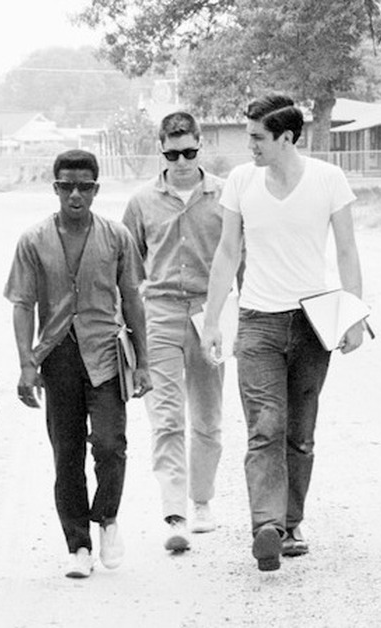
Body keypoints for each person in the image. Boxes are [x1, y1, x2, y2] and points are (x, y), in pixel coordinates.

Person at [201, 94, 365, 572]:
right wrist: (213, 321)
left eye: (257, 137)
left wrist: (352, 314)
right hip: (257, 321)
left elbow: (349, 252)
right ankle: (266, 527)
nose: (248, 144)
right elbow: (227, 253)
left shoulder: (328, 180)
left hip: (313, 321)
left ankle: (292, 523)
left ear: (286, 138)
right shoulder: (241, 182)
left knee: (300, 432)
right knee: (264, 427)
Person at [5, 149, 152, 578]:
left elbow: (133, 299)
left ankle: (106, 518)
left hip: (105, 353)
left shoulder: (116, 236)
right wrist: (26, 364)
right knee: (65, 453)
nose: (75, 195)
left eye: (83, 187)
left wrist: (143, 363)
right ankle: (78, 545)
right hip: (58, 357)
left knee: (109, 444)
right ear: (54, 189)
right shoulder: (33, 240)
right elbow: (21, 304)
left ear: (95, 190)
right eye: (66, 186)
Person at [122, 112, 234, 553]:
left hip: (210, 312)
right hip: (162, 313)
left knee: (207, 417)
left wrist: (233, 320)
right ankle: (174, 511)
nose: (183, 161)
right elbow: (129, 270)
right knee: (166, 418)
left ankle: (202, 500)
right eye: (173, 154)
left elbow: (239, 256)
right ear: (161, 150)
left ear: (200, 145)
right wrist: (128, 328)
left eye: (190, 151)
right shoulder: (142, 201)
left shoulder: (225, 195)